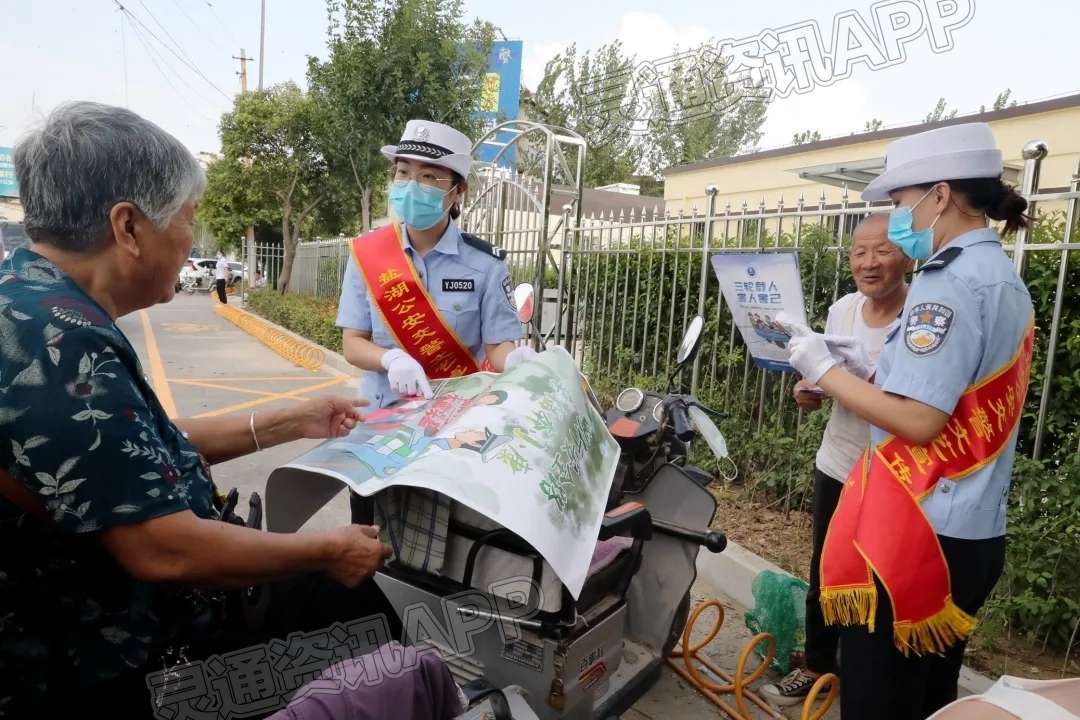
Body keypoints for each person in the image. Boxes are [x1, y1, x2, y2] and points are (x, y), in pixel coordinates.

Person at [0, 102, 402, 718]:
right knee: (369, 629)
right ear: (128, 228)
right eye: (187, 220)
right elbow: (165, 548)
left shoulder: (32, 302)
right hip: (119, 665)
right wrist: (328, 550)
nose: (192, 240)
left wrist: (290, 420)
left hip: (131, 632)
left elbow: (128, 448)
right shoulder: (57, 343)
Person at [785, 122, 1035, 719]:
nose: (898, 220)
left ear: (940, 196)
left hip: (916, 532)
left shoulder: (944, 286)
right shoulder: (1003, 279)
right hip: (969, 530)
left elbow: (920, 422)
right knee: (928, 697)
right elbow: (956, 394)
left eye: (900, 204)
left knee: (878, 699)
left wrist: (822, 368)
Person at [336, 119, 534, 523]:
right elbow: (352, 342)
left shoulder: (486, 265)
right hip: (376, 428)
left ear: (457, 191)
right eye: (404, 173)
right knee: (364, 540)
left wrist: (513, 361)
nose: (412, 185)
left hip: (450, 433)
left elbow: (497, 347)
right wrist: (390, 359)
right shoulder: (368, 254)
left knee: (438, 548)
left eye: (429, 177)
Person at [762, 213, 912, 705]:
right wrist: (807, 391)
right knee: (826, 571)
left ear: (908, 254)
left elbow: (917, 409)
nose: (868, 263)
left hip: (894, 477)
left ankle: (868, 681)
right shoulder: (844, 309)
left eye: (882, 251)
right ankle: (819, 665)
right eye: (858, 253)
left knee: (879, 585)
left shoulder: (921, 317)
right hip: (837, 463)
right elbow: (826, 379)